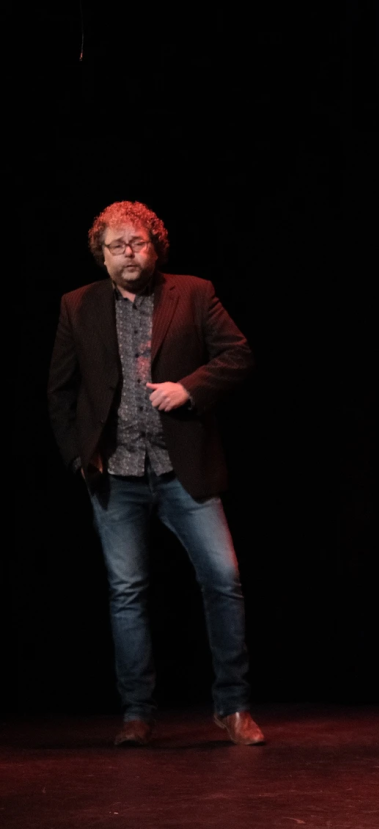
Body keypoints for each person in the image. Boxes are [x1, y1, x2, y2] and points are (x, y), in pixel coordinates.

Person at [47, 201, 264, 747]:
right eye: (116, 245)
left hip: (182, 468)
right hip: (115, 475)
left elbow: (238, 355)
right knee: (128, 593)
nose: (128, 253)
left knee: (224, 578)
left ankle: (233, 706)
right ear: (101, 254)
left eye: (137, 243)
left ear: (155, 246)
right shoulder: (77, 306)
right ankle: (137, 714)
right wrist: (79, 456)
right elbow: (61, 391)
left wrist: (190, 387)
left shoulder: (192, 292)